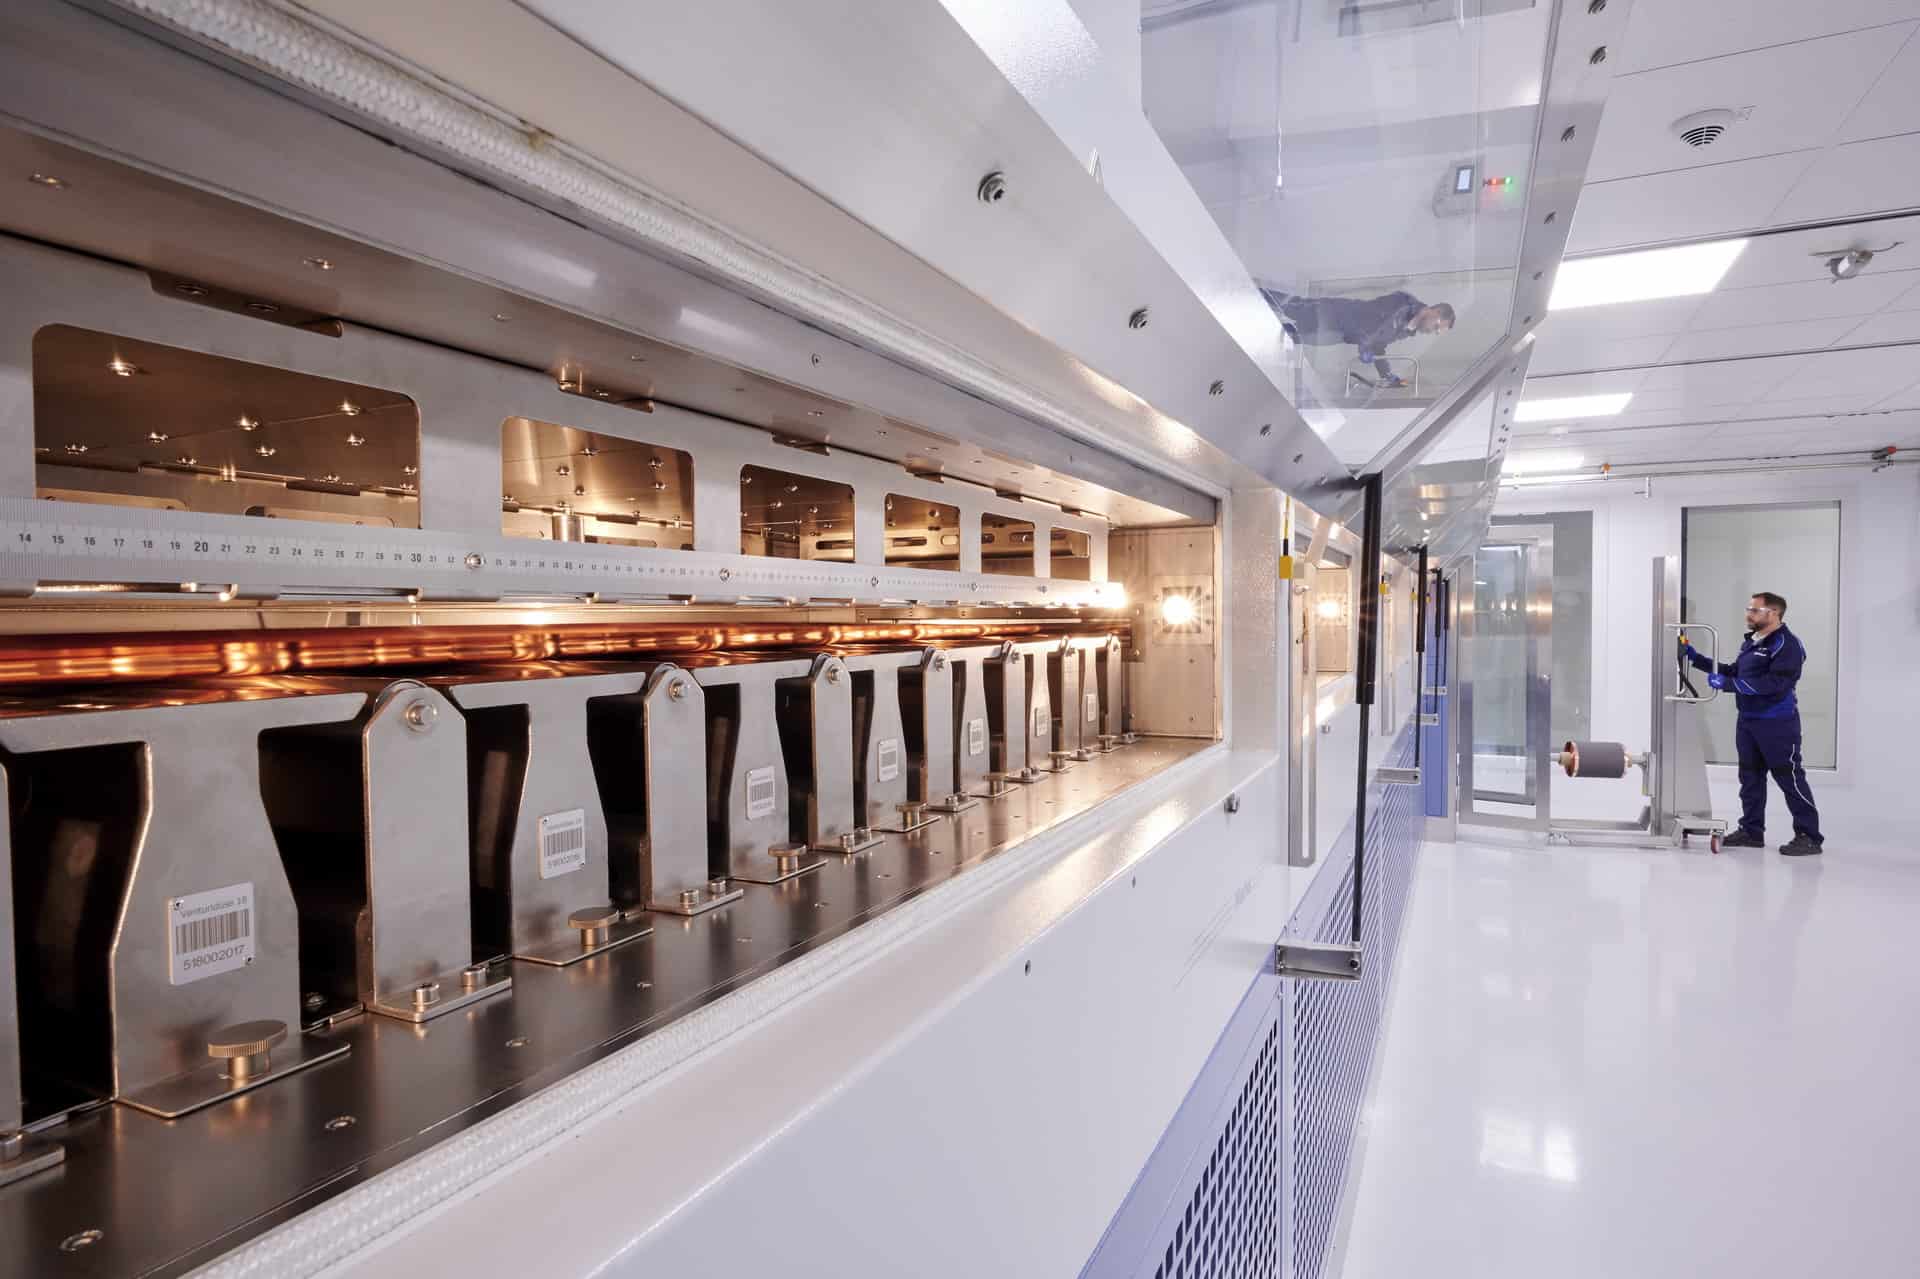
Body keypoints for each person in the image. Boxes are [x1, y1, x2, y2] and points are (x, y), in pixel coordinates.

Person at [1682, 592, 1823, 855]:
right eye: (1749, 609)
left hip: (1777, 723)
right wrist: (1695, 658)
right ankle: (1751, 831)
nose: (1748, 614)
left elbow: (1775, 684)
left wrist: (1728, 685)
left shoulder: (1787, 644)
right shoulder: (1753, 642)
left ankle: (1809, 836)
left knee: (1789, 777)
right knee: (1750, 778)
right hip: (1748, 722)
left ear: (1774, 613)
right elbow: (1734, 671)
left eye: (1755, 610)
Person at [1260, 287, 1454, 387]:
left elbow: (1379, 345)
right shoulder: (1404, 302)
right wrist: (1365, 346)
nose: (1433, 332)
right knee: (1288, 306)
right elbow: (1376, 325)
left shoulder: (1407, 330)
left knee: (1294, 334)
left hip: (1336, 334)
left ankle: (1253, 320)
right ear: (1435, 311)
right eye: (1437, 326)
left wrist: (1387, 375)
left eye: (1437, 332)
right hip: (1333, 313)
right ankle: (1247, 288)